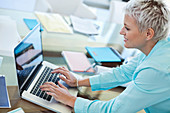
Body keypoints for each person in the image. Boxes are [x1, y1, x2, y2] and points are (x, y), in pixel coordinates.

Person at [40, 0, 170, 112]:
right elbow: (122, 73)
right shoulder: (158, 45)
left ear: (148, 34)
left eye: (127, 28)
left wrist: (69, 99)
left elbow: (113, 110)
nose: (121, 32)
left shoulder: (156, 70)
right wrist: (78, 81)